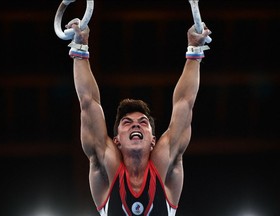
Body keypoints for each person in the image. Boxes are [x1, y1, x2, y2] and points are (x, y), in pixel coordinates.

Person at [65, 18, 211, 216]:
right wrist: (80, 49)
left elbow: (185, 102)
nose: (136, 126)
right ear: (116, 140)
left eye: (143, 122)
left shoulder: (163, 163)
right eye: (127, 123)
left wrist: (194, 50)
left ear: (153, 140)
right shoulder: (108, 165)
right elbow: (88, 102)